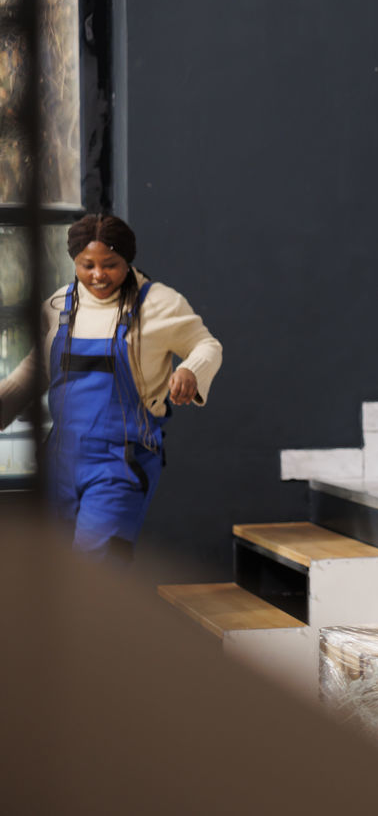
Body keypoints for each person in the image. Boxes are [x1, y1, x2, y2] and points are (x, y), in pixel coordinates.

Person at [0, 213, 223, 562]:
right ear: (74, 261)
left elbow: (206, 345)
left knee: (97, 569)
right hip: (60, 458)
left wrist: (190, 371)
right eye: (87, 265)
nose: (98, 275)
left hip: (120, 462)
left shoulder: (158, 304)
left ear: (127, 260)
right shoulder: (60, 306)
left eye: (111, 264)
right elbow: (35, 371)